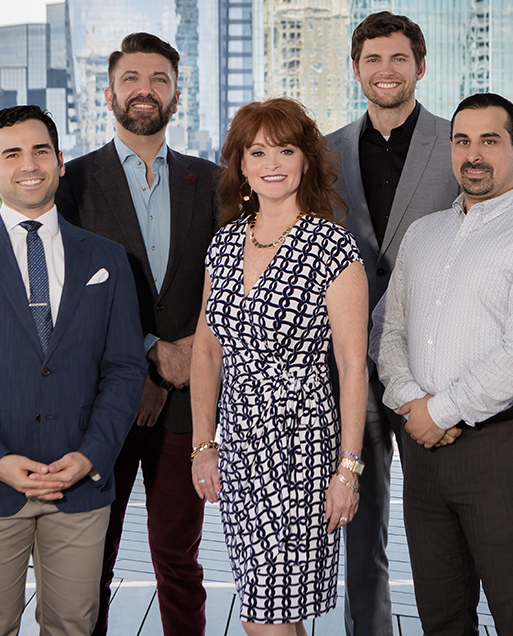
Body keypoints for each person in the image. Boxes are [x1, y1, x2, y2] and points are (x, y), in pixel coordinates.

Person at [0, 105, 146, 636]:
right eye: (12, 154)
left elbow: (126, 370)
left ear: (61, 162)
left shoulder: (107, 258)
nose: (29, 164)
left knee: (74, 626)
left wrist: (90, 456)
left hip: (80, 486)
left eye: (41, 151)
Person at [376, 93, 513, 635]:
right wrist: (412, 403)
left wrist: (438, 411)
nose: (474, 155)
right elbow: (389, 333)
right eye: (463, 141)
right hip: (422, 451)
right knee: (440, 616)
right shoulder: (422, 235)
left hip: (504, 453)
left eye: (490, 140)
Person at [55, 32, 222, 636]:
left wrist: (187, 357)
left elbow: (233, 283)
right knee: (89, 563)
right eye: (131, 79)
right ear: (108, 92)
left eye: (159, 80)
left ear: (178, 95)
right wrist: (148, 356)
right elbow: (66, 297)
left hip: (187, 405)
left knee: (178, 561)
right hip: (102, 405)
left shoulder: (214, 183)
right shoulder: (70, 183)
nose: (144, 90)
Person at [190, 97, 369, 634]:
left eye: (285, 149)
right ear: (241, 164)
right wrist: (204, 445)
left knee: (264, 618)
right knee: (266, 608)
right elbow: (206, 349)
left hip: (302, 449)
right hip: (239, 448)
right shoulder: (224, 244)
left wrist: (349, 471)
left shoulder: (332, 247)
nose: (272, 163)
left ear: (306, 159)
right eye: (258, 151)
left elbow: (353, 368)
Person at [325, 11, 457, 636]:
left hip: (432, 369)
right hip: (347, 367)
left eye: (398, 59)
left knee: (442, 523)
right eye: (373, 60)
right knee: (360, 523)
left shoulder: (458, 141)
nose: (386, 71)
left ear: (420, 68)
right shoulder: (324, 153)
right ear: (356, 70)